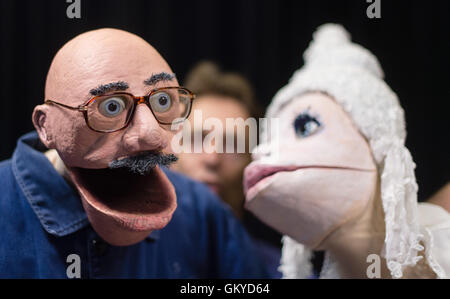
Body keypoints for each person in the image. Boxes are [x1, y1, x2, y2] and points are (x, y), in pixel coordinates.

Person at [0, 28, 269, 278]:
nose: (151, 134)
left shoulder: (200, 211)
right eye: (111, 107)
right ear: (46, 126)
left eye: (163, 101)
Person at [171, 62, 282, 278]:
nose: (212, 158)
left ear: (253, 165)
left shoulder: (284, 271)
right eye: (197, 139)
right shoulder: (126, 258)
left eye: (232, 144)